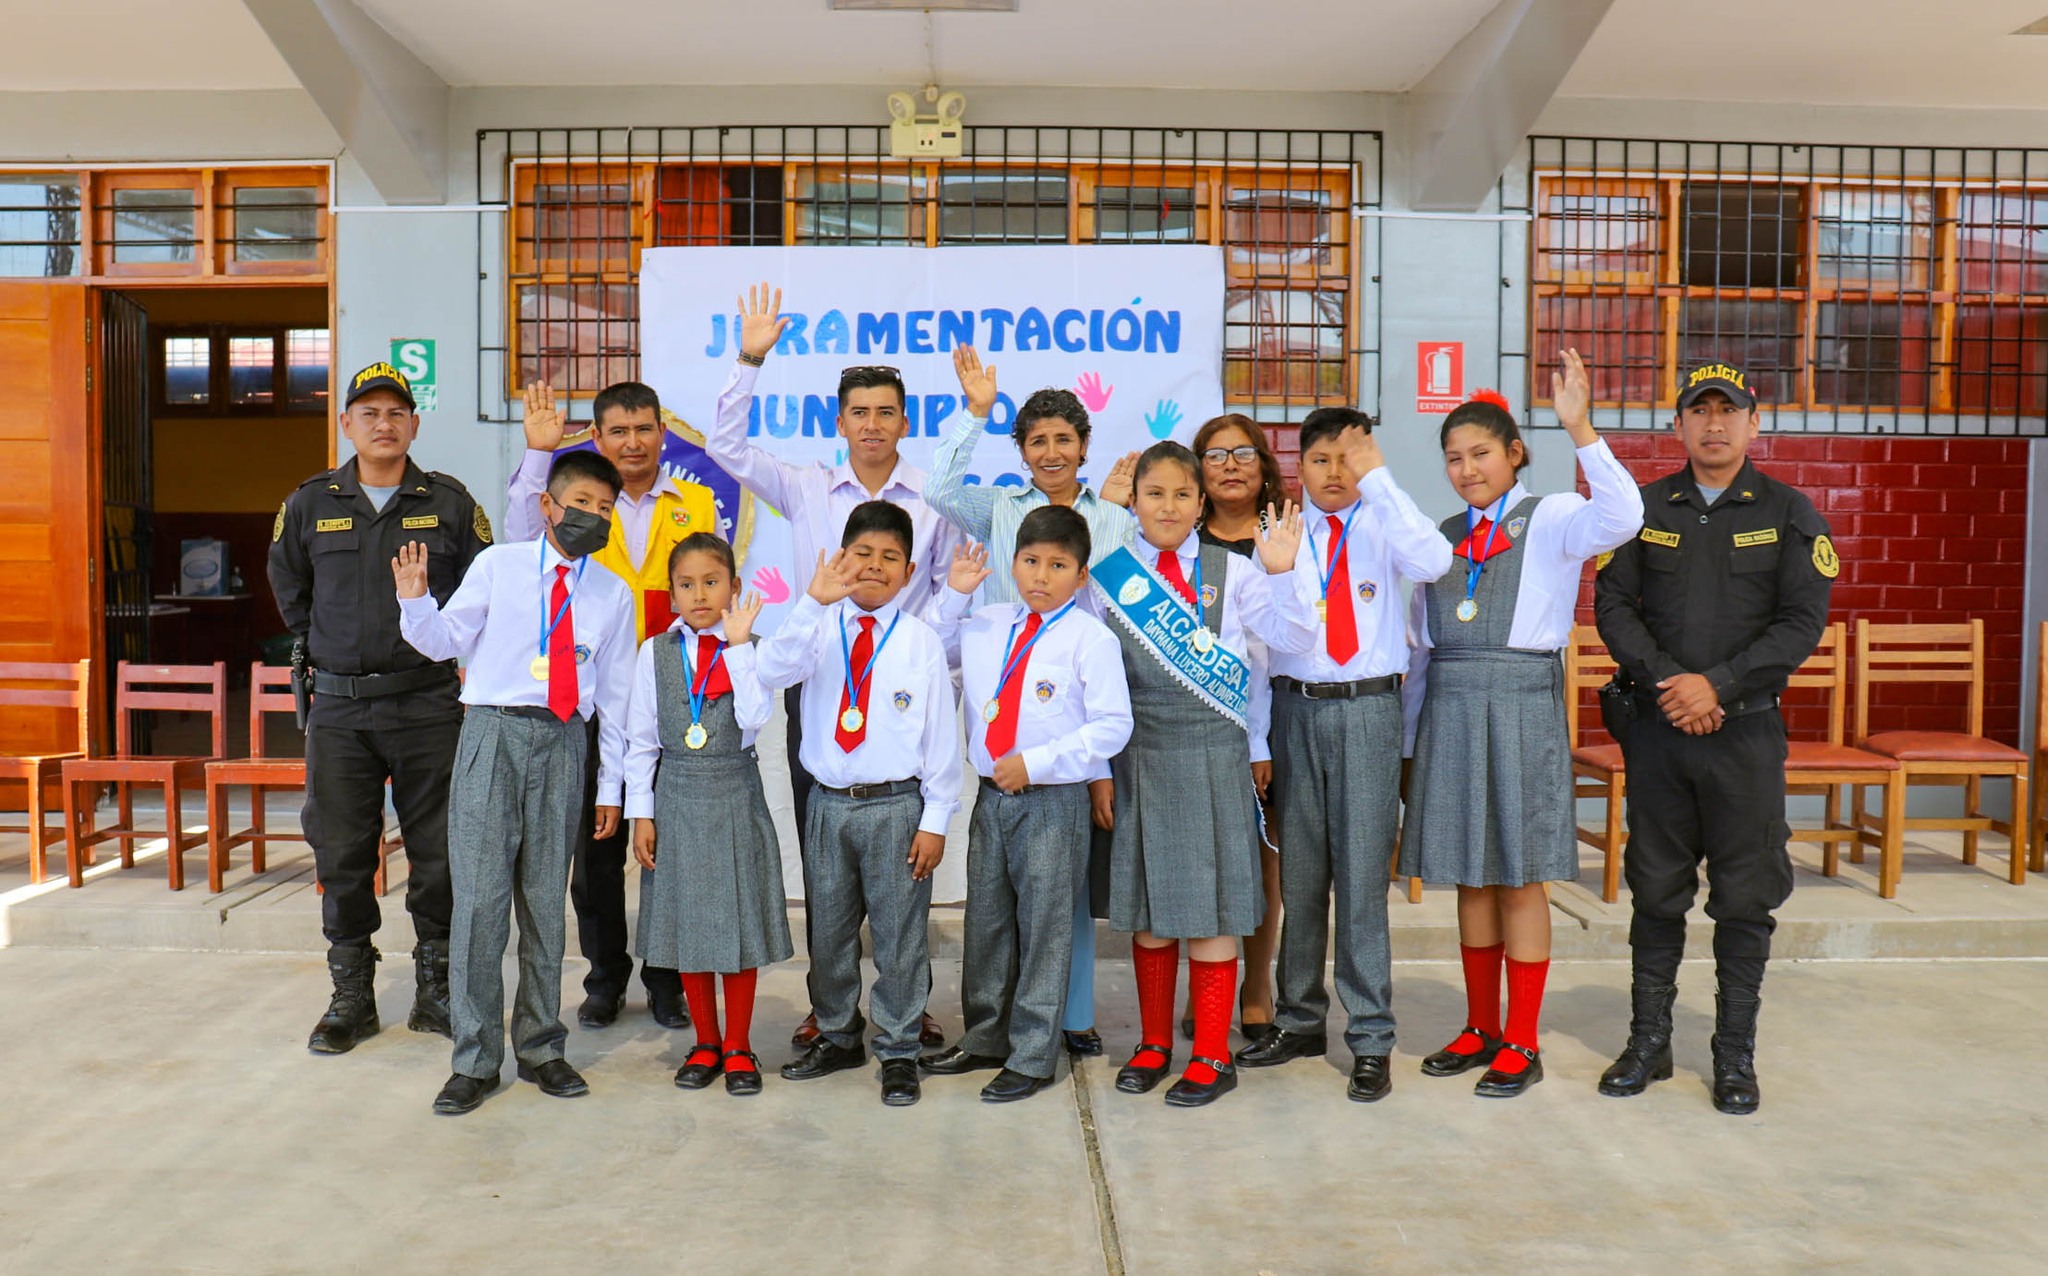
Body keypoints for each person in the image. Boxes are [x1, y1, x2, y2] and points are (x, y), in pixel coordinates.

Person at [708, 284, 961, 1050]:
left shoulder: (935, 498)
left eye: (887, 411)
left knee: (903, 874)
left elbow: (950, 588)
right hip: (822, 685)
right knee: (829, 861)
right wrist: (750, 358)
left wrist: (918, 664)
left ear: (905, 421)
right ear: (839, 420)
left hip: (903, 700)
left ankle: (904, 1008)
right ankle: (833, 1006)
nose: (873, 424)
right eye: (860, 412)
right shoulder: (805, 484)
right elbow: (726, 448)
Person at [1593, 360, 1834, 1116]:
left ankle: (1734, 1058)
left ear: (1754, 424)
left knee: (1744, 898)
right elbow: (1611, 602)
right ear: (1678, 426)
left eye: (1728, 411)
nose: (1714, 424)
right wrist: (1672, 683)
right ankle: (1648, 1043)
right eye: (1699, 411)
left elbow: (1801, 621)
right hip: (1661, 732)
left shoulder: (1793, 514)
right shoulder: (1641, 507)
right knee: (1655, 891)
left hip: (1745, 735)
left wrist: (1718, 685)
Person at [1401, 355, 1643, 1098]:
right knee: (1470, 876)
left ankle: (1522, 1039)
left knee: (1518, 877)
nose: (1467, 469)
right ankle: (1478, 1025)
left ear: (1514, 455)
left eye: (1481, 454)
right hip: (1450, 703)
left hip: (1518, 702)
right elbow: (1417, 647)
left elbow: (1625, 516)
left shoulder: (1554, 519)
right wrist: (1412, 745)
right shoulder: (1438, 539)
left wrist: (1580, 427)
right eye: (1453, 458)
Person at [394, 450, 638, 1116]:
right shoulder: (499, 566)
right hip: (492, 733)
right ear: (549, 507)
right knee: (478, 903)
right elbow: (443, 641)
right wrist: (414, 602)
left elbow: (615, 701)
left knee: (541, 903)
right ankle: (474, 1060)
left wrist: (611, 789)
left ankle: (540, 1047)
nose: (592, 516)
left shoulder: (612, 594)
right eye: (580, 503)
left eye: (605, 508)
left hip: (563, 743)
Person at [268, 361, 490, 1056]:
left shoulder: (448, 503)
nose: (383, 423)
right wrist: (327, 646)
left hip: (427, 705)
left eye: (396, 412)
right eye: (369, 413)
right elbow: (288, 584)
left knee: (441, 852)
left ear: (414, 424)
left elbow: (482, 592)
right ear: (347, 425)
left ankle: (436, 989)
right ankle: (352, 995)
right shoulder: (309, 503)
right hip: (339, 711)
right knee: (341, 851)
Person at [924, 345, 1139, 1057]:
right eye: (1037, 439)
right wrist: (975, 414)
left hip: (1066, 731)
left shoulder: (1111, 514)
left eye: (1064, 439)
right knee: (991, 913)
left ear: (1083, 446)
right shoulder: (996, 511)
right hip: (997, 744)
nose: (1051, 451)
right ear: (1020, 449)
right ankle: (994, 1035)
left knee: (1058, 911)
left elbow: (1112, 622)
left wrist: (1088, 765)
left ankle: (1055, 1029)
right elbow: (936, 488)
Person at [1235, 411, 1452, 1104]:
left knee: (1360, 880)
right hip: (1295, 707)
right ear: (1298, 466)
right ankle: (1300, 1019)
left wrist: (1380, 479)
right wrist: (1260, 740)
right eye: (1319, 459)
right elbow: (1263, 644)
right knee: (1300, 879)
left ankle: (1370, 1036)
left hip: (1366, 711)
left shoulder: (1389, 523)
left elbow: (1434, 562)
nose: (1334, 473)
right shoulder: (1280, 533)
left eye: (1346, 459)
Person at [1096, 442, 1314, 1107]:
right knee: (1153, 912)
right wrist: (1100, 770)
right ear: (1134, 502)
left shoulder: (1236, 570)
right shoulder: (1108, 572)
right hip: (1140, 757)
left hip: (1214, 756)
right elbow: (1088, 675)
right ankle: (1155, 1043)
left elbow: (1295, 643)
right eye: (1154, 493)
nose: (1168, 507)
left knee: (1214, 909)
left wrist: (1280, 573)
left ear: (1201, 503)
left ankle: (1214, 1056)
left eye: (1182, 495)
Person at [504, 379, 719, 1031]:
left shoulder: (696, 502)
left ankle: (666, 978)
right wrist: (537, 454)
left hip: (670, 698)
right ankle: (604, 977)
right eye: (618, 431)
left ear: (662, 433)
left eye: (644, 428)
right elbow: (518, 538)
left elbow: (703, 596)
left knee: (668, 847)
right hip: (586, 697)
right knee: (595, 851)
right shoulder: (577, 506)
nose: (633, 442)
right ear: (596, 438)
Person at [918, 512, 1135, 1101]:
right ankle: (987, 1034)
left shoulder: (1091, 638)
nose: (1041, 576)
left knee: (1044, 927)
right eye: (1031, 562)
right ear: (1013, 563)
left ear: (1082, 574)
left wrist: (1038, 763)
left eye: (1059, 566)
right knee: (986, 920)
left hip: (1051, 799)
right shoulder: (987, 623)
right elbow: (923, 650)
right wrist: (953, 593)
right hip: (992, 798)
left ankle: (1035, 1052)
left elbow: (1113, 726)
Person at [755, 502, 962, 1108]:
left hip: (897, 807)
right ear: (841, 558)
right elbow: (769, 671)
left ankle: (898, 1049)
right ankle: (838, 1032)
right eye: (862, 554)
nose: (875, 567)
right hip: (828, 804)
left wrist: (934, 820)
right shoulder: (815, 625)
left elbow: (940, 741)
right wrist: (810, 603)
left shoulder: (921, 641)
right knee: (832, 930)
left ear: (909, 569)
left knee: (900, 935)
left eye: (890, 558)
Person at [625, 533, 789, 1097]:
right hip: (676, 793)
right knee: (688, 922)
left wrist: (740, 647)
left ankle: (740, 1044)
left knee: (736, 922)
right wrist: (641, 814)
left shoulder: (753, 648)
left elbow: (754, 715)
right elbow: (640, 740)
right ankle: (705, 1040)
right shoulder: (655, 653)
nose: (700, 594)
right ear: (671, 595)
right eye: (687, 585)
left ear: (735, 588)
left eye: (712, 582)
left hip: (732, 789)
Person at [1188, 412, 1292, 1042]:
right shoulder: (1175, 541)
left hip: (1278, 715)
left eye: (1244, 453)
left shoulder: (1288, 535)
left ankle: (1255, 988)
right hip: (1195, 725)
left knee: (1263, 854)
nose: (1230, 464)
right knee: (1200, 857)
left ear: (1264, 465)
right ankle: (1206, 991)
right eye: (1215, 454)